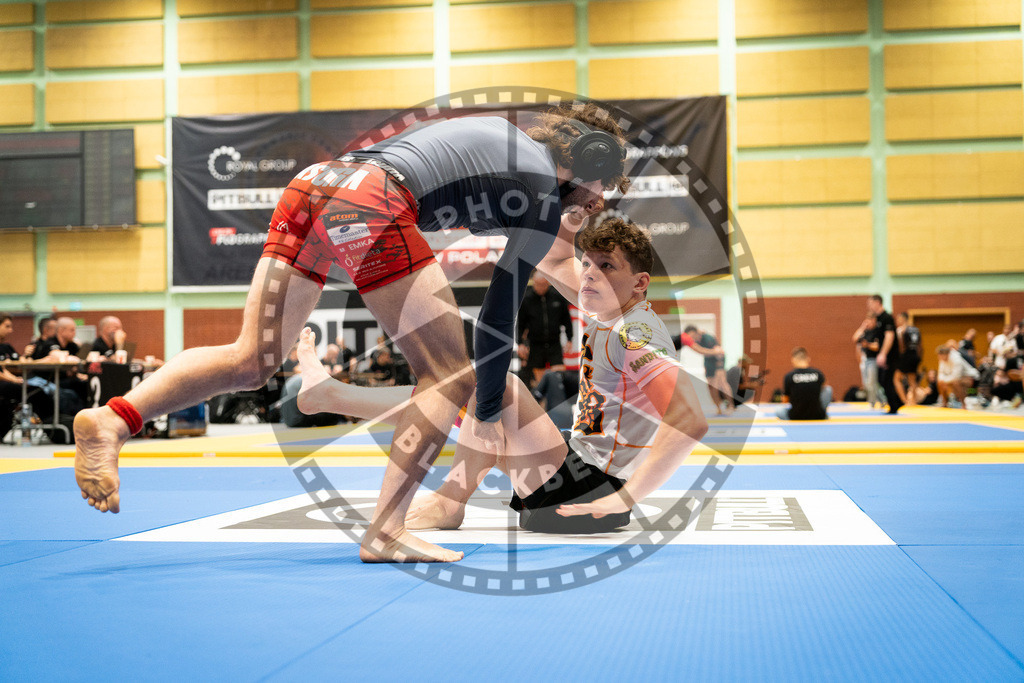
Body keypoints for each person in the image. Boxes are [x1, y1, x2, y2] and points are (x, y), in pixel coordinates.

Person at [71, 102, 626, 564]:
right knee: (448, 372)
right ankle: (385, 530)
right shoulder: (539, 197)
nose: (604, 201)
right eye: (606, 186)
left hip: (314, 187)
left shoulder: (505, 146)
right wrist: (483, 414)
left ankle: (113, 419)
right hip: (372, 199)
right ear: (584, 163)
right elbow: (497, 322)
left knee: (252, 359)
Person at [296, 217, 708, 534]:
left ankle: (449, 502)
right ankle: (329, 395)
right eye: (588, 264)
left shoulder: (634, 332)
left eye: (606, 266)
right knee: (460, 393)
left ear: (639, 283)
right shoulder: (607, 308)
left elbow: (691, 420)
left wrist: (625, 498)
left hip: (587, 494)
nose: (589, 274)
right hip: (567, 476)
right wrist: (572, 217)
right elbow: (556, 258)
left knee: (498, 387)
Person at [516, 272, 574, 387]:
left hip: (554, 343)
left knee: (558, 376)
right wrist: (520, 343)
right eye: (538, 284)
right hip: (536, 344)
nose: (541, 288)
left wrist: (569, 339)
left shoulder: (557, 297)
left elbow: (567, 321)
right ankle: (542, 402)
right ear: (533, 283)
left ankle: (557, 399)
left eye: (543, 285)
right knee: (539, 380)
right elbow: (520, 325)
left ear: (548, 283)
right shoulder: (527, 300)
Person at [775, 347, 831, 421]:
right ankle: (823, 413)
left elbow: (785, 400)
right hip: (817, 415)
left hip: (796, 416)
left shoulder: (789, 376)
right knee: (828, 389)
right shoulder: (818, 373)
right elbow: (825, 390)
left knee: (778, 410)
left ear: (793, 360)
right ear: (808, 359)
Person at [868, 295, 902, 414]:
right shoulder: (878, 319)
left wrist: (883, 354)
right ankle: (897, 401)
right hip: (884, 354)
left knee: (886, 380)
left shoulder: (886, 317)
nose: (869, 306)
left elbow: (889, 336)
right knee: (882, 380)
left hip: (890, 355)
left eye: (871, 303)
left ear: (878, 302)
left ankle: (895, 404)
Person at [683, 324, 728, 414]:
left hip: (717, 363)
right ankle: (718, 406)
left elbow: (718, 352)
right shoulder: (694, 339)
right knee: (711, 387)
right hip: (708, 363)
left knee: (721, 384)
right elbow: (700, 350)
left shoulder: (707, 338)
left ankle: (730, 404)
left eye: (692, 336)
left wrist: (720, 366)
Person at [853, 313, 881, 409]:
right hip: (866, 359)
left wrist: (868, 345)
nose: (868, 322)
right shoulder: (866, 331)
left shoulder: (877, 331)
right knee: (866, 384)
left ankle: (875, 402)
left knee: (872, 382)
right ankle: (877, 401)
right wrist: (862, 327)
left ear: (874, 320)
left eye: (870, 320)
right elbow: (855, 338)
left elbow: (877, 346)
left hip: (874, 359)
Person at [894, 312, 921, 407]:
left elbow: (901, 346)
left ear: (902, 318)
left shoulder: (901, 330)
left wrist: (899, 357)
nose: (897, 321)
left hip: (906, 356)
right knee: (912, 380)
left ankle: (904, 400)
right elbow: (919, 346)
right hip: (915, 356)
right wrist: (919, 357)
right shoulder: (916, 330)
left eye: (898, 318)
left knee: (896, 378)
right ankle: (913, 401)